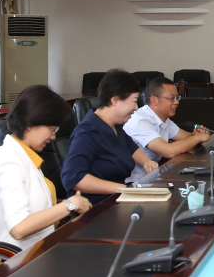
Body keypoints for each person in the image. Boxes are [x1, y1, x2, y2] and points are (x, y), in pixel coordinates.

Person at [0, 85, 92, 252]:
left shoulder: (25, 154)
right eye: (52, 129)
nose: (53, 136)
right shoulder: (8, 160)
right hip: (16, 259)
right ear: (30, 124)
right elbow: (19, 228)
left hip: (40, 249)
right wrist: (70, 205)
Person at [61, 70, 159, 204]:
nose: (136, 108)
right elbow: (73, 178)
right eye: (134, 101)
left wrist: (147, 162)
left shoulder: (116, 126)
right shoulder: (87, 132)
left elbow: (130, 147)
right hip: (95, 206)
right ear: (115, 100)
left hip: (116, 199)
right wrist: (122, 189)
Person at [123, 77, 211, 181]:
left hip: (153, 176)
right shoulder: (140, 121)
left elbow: (187, 137)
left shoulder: (163, 119)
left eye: (177, 98)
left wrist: (198, 134)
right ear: (154, 100)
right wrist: (197, 138)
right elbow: (169, 151)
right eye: (171, 98)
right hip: (134, 183)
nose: (176, 102)